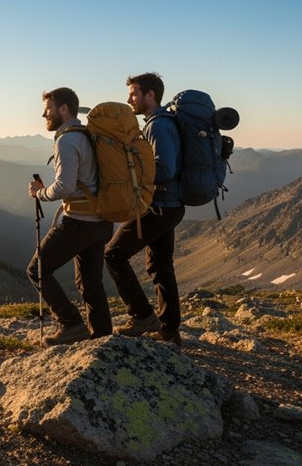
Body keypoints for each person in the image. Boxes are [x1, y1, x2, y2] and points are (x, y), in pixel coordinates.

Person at [27, 87, 115, 345]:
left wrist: (40, 193)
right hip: (101, 220)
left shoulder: (67, 139)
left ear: (63, 108)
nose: (44, 113)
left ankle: (71, 324)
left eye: (49, 108)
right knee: (90, 282)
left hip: (79, 221)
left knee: (37, 269)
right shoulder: (87, 135)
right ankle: (102, 338)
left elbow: (64, 186)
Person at [104, 72, 185, 345]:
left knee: (113, 254)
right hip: (168, 205)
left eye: (134, 93)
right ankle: (169, 330)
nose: (130, 100)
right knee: (160, 266)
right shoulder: (161, 122)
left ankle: (142, 316)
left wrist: (131, 174)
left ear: (150, 95)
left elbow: (164, 168)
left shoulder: (158, 126)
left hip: (160, 205)